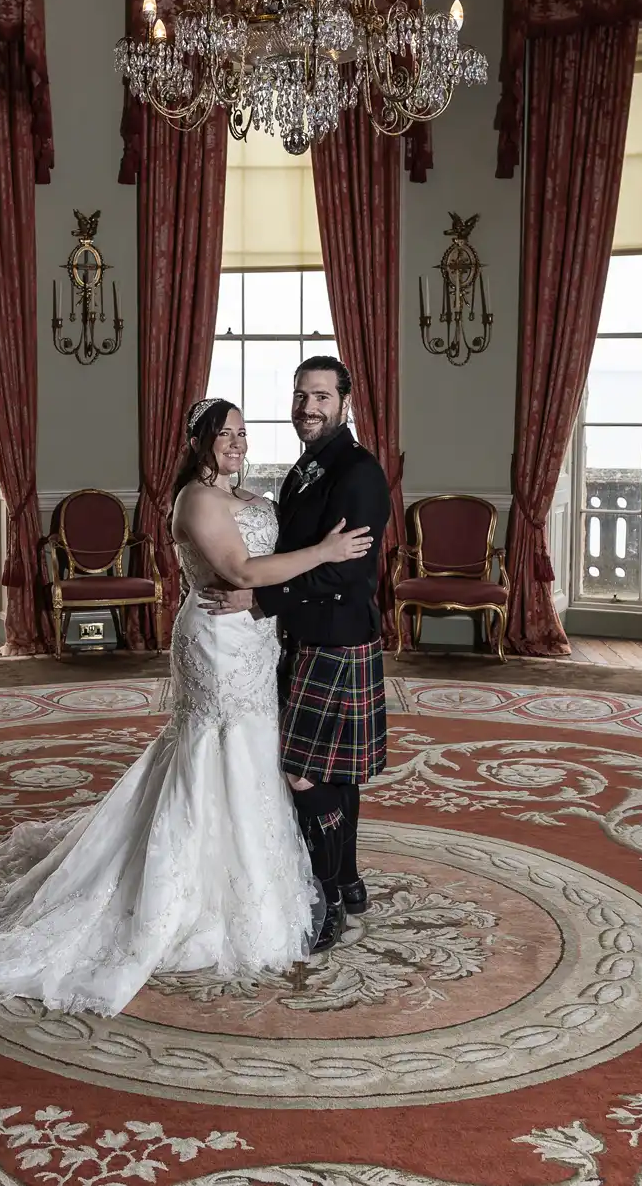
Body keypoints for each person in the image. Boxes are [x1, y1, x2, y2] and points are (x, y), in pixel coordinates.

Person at [0, 397, 373, 1016]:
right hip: (217, 640)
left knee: (254, 750)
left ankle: (266, 883)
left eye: (243, 434)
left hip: (255, 640)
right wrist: (325, 556)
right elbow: (239, 569)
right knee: (215, 749)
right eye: (224, 435)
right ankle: (193, 897)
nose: (237, 444)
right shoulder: (196, 500)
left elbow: (266, 568)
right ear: (200, 444)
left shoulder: (253, 498)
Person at [201, 356, 391, 954]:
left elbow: (349, 569)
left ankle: (330, 896)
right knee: (333, 772)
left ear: (345, 403)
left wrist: (263, 600)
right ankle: (351, 881)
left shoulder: (359, 472)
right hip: (305, 637)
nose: (307, 407)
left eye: (321, 397)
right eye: (300, 395)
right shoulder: (307, 468)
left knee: (305, 772)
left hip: (337, 637)